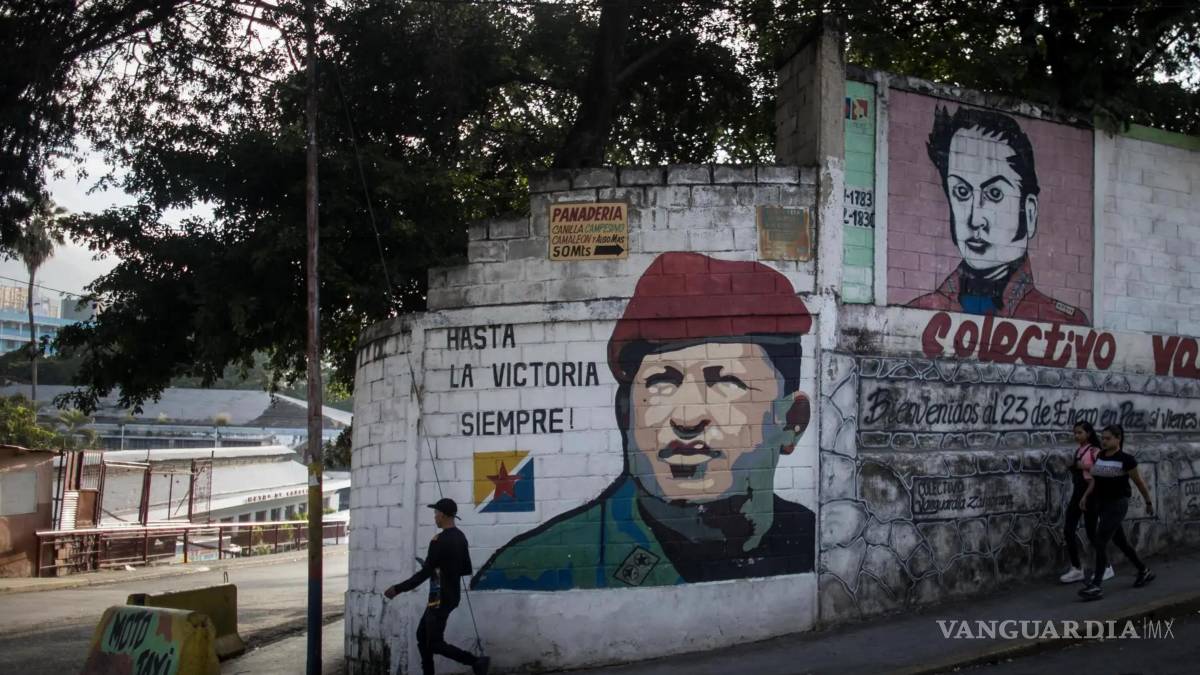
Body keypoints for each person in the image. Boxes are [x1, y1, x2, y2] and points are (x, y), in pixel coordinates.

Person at [472, 252, 816, 590]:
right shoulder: (534, 572)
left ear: (791, 423)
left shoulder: (817, 543)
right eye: (661, 382)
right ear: (626, 414)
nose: (686, 417)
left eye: (725, 382)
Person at [906, 105, 1088, 325]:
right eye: (961, 192)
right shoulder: (918, 314)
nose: (975, 219)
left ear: (1029, 213)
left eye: (994, 194)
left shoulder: (1063, 323)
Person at [385, 498, 490, 675]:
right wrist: (441, 568)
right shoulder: (461, 537)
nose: (434, 517)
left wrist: (397, 589)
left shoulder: (438, 540)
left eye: (436, 513)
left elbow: (424, 574)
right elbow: (465, 568)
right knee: (422, 636)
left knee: (434, 643)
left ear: (443, 515)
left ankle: (475, 662)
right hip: (452, 596)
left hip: (439, 598)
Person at [1078, 425, 1156, 601]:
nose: (1104, 441)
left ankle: (1096, 585)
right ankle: (1144, 571)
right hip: (1102, 505)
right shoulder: (1100, 455)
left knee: (1100, 541)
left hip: (1117, 505)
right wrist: (1085, 496)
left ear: (1118, 438)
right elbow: (1095, 480)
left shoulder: (1126, 460)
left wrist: (1148, 502)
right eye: (1103, 438)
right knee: (1121, 542)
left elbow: (1139, 483)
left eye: (1108, 438)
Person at [1059, 421, 1111, 583]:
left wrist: (1084, 466)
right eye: (1075, 433)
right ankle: (1076, 568)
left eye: (1079, 432)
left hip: (1091, 493)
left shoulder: (1095, 451)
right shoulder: (1079, 450)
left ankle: (1106, 567)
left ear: (1088, 433)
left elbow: (1102, 472)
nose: (1076, 436)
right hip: (1078, 492)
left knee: (1091, 532)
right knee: (1068, 530)